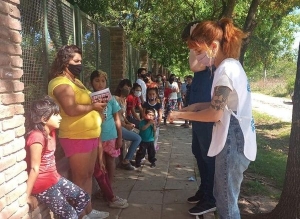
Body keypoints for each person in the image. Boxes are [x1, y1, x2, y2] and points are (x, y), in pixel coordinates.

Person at [170, 18, 257, 218]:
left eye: (199, 52)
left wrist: (180, 114)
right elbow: (221, 106)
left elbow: (215, 113)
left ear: (214, 46)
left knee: (226, 204)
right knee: (224, 197)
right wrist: (195, 106)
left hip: (233, 142)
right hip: (238, 140)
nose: (197, 59)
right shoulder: (232, 66)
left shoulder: (224, 70)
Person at [48, 45, 108, 219]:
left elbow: (89, 97)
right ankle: (80, 215)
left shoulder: (76, 81)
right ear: (65, 61)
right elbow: (71, 109)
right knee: (80, 177)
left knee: (88, 175)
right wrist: (93, 106)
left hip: (90, 134)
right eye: (76, 61)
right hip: (76, 136)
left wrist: (100, 101)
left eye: (80, 61)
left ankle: (88, 210)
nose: (79, 64)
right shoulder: (60, 83)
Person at [25, 96, 90, 219]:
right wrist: (28, 195)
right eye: (56, 115)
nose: (60, 118)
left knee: (83, 197)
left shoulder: (52, 132)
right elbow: (34, 168)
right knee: (70, 215)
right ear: (44, 119)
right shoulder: (36, 137)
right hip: (43, 185)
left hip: (55, 178)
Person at [90, 70, 122, 183]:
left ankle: (110, 185)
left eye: (103, 81)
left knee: (110, 161)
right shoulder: (89, 99)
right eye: (97, 81)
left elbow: (117, 119)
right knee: (100, 163)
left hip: (110, 136)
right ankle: (103, 188)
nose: (100, 84)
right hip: (95, 136)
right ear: (91, 83)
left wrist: (120, 137)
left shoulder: (112, 99)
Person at [114, 79, 142, 170]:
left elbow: (123, 115)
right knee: (138, 138)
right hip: (117, 126)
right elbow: (116, 117)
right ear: (121, 87)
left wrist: (129, 122)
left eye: (129, 87)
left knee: (139, 134)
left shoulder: (124, 100)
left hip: (123, 124)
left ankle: (128, 157)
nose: (128, 89)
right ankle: (126, 161)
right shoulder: (115, 99)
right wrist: (125, 125)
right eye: (126, 86)